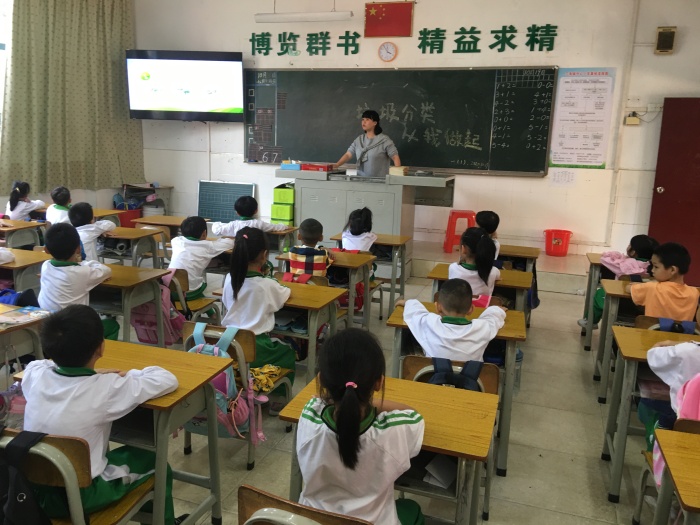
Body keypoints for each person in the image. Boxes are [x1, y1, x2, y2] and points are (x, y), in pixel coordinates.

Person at [23, 305, 187, 524]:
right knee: (154, 462)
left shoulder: (35, 376)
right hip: (80, 496)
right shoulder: (106, 388)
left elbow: (39, 365)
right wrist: (127, 374)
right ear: (101, 348)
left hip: (32, 491)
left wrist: (91, 372)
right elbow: (167, 379)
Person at [297, 328, 425, 525]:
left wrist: (345, 397)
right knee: (412, 509)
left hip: (313, 521)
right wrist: (364, 401)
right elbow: (414, 415)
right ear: (379, 383)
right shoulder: (394, 430)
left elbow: (317, 400)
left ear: (321, 379)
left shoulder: (309, 418)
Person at [221, 227, 296, 383]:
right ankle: (277, 393)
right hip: (257, 346)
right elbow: (285, 292)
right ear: (264, 255)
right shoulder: (266, 284)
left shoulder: (229, 278)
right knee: (288, 352)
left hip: (228, 342)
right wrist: (268, 277)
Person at [397, 278, 506, 361]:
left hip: (431, 382)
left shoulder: (429, 323)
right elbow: (493, 317)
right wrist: (498, 310)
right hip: (469, 384)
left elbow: (416, 311)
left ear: (438, 307)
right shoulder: (482, 328)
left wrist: (408, 302)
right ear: (471, 309)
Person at [38, 223, 116, 338]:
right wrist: (86, 263)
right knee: (112, 326)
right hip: (75, 330)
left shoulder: (45, 266)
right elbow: (107, 271)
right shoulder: (83, 272)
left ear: (46, 250)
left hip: (47, 328)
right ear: (79, 249)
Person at [578, 234, 658, 329]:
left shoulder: (625, 264)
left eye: (630, 244)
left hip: (619, 304)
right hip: (642, 310)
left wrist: (618, 257)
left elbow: (604, 260)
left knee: (599, 294)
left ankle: (591, 322)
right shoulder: (654, 268)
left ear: (633, 252)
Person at [626, 242, 700, 321]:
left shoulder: (652, 287)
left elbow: (628, 288)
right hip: (682, 329)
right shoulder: (695, 293)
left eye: (656, 267)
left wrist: (641, 285)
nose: (652, 270)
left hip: (652, 329)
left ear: (672, 270)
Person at [168, 216, 234, 299]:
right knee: (202, 281)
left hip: (170, 290)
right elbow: (230, 243)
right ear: (204, 233)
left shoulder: (176, 241)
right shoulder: (208, 246)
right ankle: (205, 305)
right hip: (190, 293)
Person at [333, 110, 401, 178]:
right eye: (363, 119)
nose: (364, 122)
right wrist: (337, 165)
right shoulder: (359, 140)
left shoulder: (384, 140)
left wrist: (397, 177)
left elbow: (395, 157)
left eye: (367, 119)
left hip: (379, 181)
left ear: (375, 123)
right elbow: (348, 155)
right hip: (360, 180)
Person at [448, 227, 500, 297]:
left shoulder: (453, 268)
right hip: (483, 304)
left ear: (463, 249)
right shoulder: (493, 271)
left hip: (458, 304)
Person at [211, 195, 288, 237]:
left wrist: (217, 223)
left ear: (237, 213)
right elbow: (275, 227)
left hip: (238, 255)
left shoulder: (233, 225)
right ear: (256, 210)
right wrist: (285, 226)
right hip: (255, 255)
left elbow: (216, 230)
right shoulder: (259, 224)